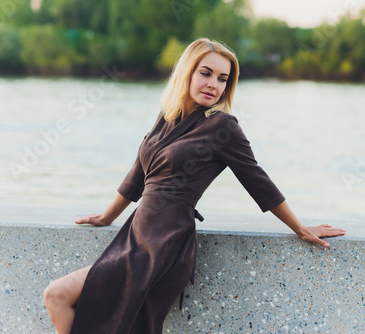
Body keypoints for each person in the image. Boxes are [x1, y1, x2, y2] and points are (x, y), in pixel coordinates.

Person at [43, 37, 346, 334]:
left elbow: (258, 180)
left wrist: (300, 228)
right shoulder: (168, 116)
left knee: (57, 295)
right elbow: (139, 173)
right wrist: (107, 217)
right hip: (134, 236)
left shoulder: (223, 127)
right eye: (206, 73)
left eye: (223, 78)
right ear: (187, 72)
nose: (214, 84)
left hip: (166, 242)